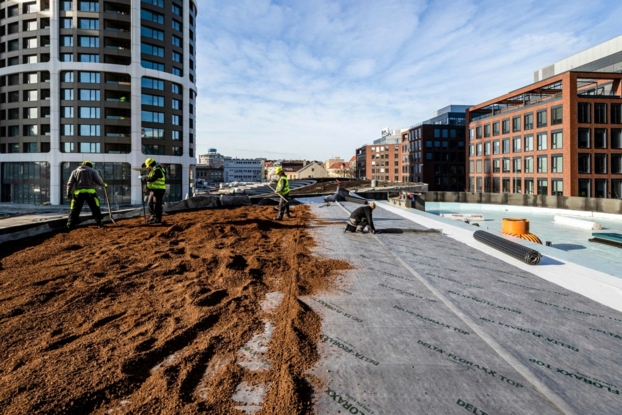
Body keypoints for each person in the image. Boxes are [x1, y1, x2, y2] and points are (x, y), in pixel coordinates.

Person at [66, 161, 107, 229]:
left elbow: (69, 183)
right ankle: (100, 223)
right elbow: (99, 182)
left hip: (78, 193)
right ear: (90, 166)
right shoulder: (93, 171)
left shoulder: (75, 171)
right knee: (95, 209)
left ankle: (70, 225)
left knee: (75, 210)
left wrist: (68, 192)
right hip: (91, 193)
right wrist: (104, 185)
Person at [144, 157, 166, 224]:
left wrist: (144, 178)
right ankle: (153, 216)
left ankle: (157, 219)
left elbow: (153, 178)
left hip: (159, 190)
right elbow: (151, 178)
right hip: (154, 190)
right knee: (150, 203)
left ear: (151, 164)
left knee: (157, 205)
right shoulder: (154, 169)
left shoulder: (158, 170)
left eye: (149, 166)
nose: (149, 167)